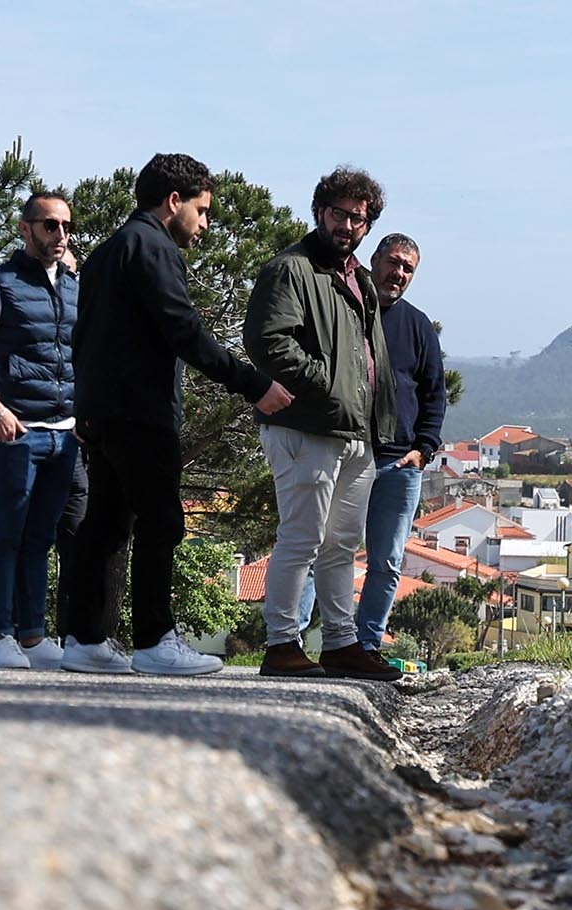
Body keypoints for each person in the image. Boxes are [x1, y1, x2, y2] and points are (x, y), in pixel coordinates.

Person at [63, 152, 293, 675]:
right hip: (141, 413)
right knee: (161, 522)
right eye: (202, 210)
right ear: (174, 201)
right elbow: (184, 331)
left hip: (102, 413)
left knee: (106, 525)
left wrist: (87, 406)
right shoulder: (153, 247)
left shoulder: (105, 252)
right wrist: (254, 384)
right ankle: (154, 640)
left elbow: (84, 338)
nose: (205, 224)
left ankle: (85, 638)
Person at [244, 167, 399, 681]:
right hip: (305, 426)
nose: (348, 225)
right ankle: (281, 644)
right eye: (339, 214)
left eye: (359, 218)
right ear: (319, 212)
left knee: (341, 546)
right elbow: (267, 342)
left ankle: (341, 643)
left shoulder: (360, 279)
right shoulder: (290, 269)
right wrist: (327, 385)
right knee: (301, 538)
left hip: (355, 433)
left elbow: (369, 356)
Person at [0, 190, 85, 671]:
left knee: (41, 538)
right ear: (25, 229)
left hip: (65, 434)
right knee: (8, 533)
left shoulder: (75, 288)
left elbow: (82, 355)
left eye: (66, 226)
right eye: (50, 225)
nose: (60, 234)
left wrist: (84, 415)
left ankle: (34, 636)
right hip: (16, 432)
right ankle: (2, 636)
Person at [294, 233, 446, 662]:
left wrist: (423, 450)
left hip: (400, 464)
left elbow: (434, 394)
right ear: (374, 260)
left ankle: (365, 646)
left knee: (387, 562)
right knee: (319, 548)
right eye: (393, 262)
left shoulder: (419, 326)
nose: (398, 273)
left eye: (408, 268)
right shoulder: (346, 310)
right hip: (345, 451)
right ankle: (295, 643)